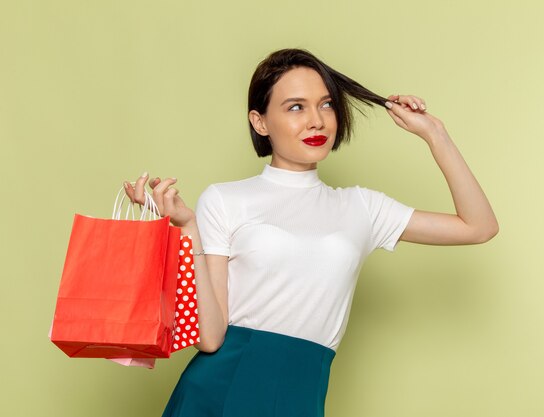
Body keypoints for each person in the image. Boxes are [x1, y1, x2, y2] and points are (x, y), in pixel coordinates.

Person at [124, 48, 498, 417]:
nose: (317, 121)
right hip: (224, 388)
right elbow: (211, 337)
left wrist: (436, 134)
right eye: (296, 107)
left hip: (303, 391)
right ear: (260, 122)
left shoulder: (362, 208)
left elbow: (478, 226)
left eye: (326, 104)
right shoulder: (225, 199)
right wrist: (188, 228)